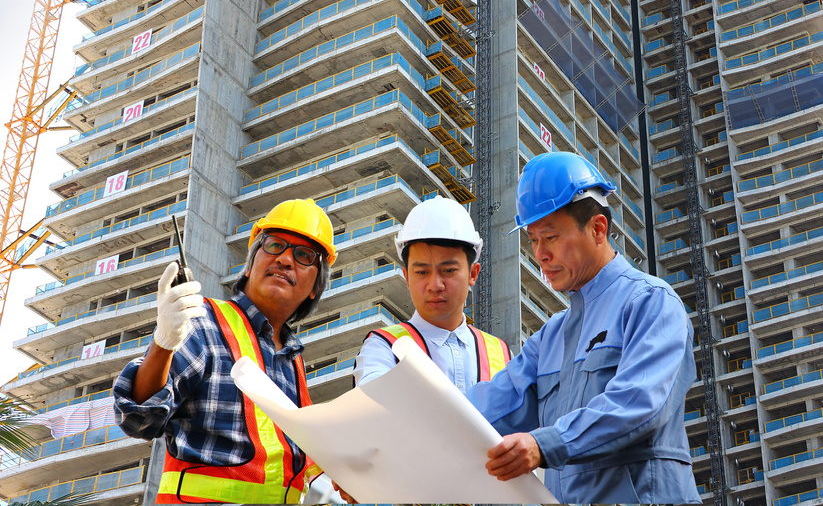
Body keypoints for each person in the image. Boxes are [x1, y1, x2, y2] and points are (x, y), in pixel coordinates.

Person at [467, 151, 702, 504]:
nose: (540, 254)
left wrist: (544, 444)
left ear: (597, 228)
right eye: (532, 239)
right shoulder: (550, 338)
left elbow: (638, 403)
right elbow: (483, 411)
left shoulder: (651, 303)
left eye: (550, 237)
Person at [114, 199, 340, 504]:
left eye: (303, 255)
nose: (285, 260)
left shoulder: (293, 362)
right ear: (249, 265)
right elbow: (137, 418)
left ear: (316, 287)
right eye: (274, 245)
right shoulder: (203, 321)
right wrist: (164, 342)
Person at [354, 196, 511, 392]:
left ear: (473, 273)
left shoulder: (503, 354)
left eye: (448, 271)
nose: (435, 285)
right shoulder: (383, 348)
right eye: (422, 272)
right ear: (407, 278)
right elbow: (375, 407)